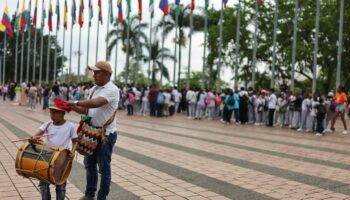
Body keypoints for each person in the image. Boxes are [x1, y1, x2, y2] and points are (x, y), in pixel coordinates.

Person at [66, 61, 120, 200]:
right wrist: (71, 107)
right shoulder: (94, 89)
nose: (94, 75)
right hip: (90, 132)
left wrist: (76, 102)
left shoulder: (112, 89)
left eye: (97, 72)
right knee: (89, 165)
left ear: (107, 74)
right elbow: (86, 110)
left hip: (105, 135)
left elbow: (96, 103)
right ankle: (90, 195)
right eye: (94, 72)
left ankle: (102, 198)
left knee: (104, 169)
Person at [29, 98, 78, 200]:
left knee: (60, 185)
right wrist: (33, 138)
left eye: (55, 113)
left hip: (62, 159)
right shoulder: (48, 124)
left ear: (63, 114)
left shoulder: (70, 126)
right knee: (44, 184)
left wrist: (73, 152)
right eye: (51, 113)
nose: (52, 115)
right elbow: (37, 134)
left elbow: (75, 141)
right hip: (47, 157)